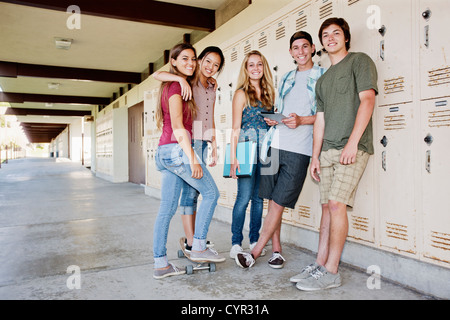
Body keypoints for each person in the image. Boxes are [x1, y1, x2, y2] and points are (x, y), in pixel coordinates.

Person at [294, 17, 378, 291]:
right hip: (327, 151)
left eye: (336, 33)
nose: (331, 38)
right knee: (326, 209)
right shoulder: (323, 80)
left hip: (351, 147)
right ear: (321, 43)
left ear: (346, 37)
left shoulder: (359, 61)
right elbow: (320, 120)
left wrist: (353, 142)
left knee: (336, 205)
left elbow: (368, 100)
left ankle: (332, 270)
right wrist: (315, 156)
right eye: (326, 35)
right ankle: (320, 263)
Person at [235, 32, 326, 269]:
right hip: (274, 145)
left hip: (300, 150)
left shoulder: (322, 77)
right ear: (290, 52)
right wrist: (276, 119)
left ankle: (254, 253)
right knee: (272, 200)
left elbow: (324, 115)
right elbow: (281, 110)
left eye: (305, 47)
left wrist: (303, 120)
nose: (301, 52)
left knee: (278, 202)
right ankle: (276, 251)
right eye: (296, 48)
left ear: (313, 48)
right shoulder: (285, 78)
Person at [152, 43, 225, 280]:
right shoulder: (175, 85)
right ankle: (199, 245)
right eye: (185, 59)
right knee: (212, 194)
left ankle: (161, 264)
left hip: (167, 150)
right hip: (177, 150)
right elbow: (178, 127)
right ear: (173, 61)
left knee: (166, 209)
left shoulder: (178, 84)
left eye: (192, 59)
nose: (191, 63)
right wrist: (193, 159)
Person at [229, 50, 275, 259]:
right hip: (246, 149)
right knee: (243, 198)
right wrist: (233, 157)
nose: (255, 68)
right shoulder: (241, 94)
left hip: (265, 150)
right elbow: (235, 128)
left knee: (259, 199)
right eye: (251, 65)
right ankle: (236, 242)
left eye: (259, 64)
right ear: (246, 70)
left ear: (263, 67)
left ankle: (255, 239)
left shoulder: (268, 93)